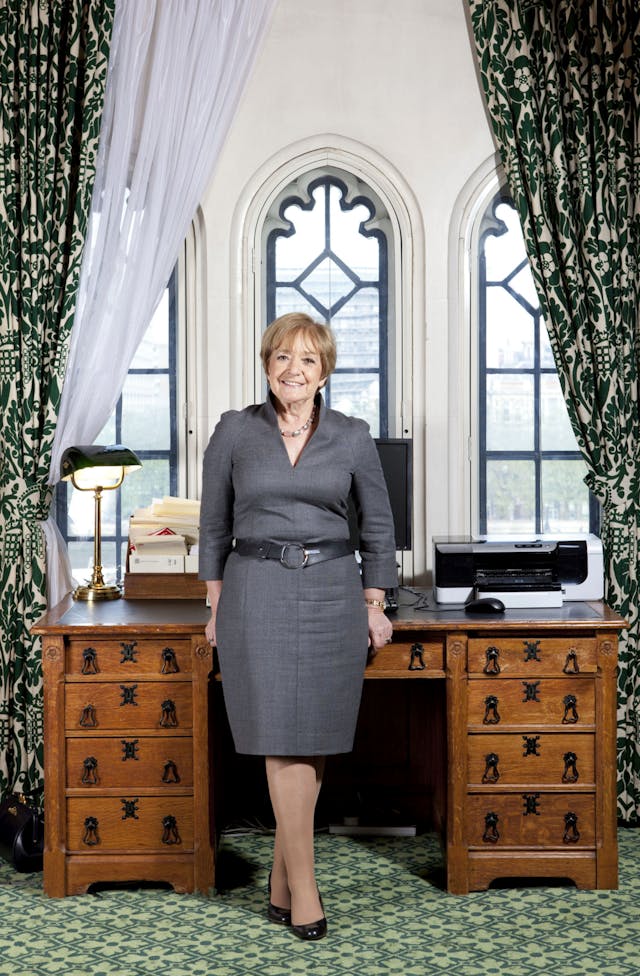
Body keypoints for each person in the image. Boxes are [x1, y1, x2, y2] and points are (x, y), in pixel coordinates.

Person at [199, 312, 398, 941]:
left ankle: (282, 882)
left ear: (325, 371)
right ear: (266, 366)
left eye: (308, 360)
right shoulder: (234, 431)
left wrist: (375, 603)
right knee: (280, 736)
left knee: (311, 738)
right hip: (254, 592)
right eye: (282, 357)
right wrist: (215, 607)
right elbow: (211, 526)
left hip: (332, 594)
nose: (294, 370)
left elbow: (378, 528)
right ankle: (305, 892)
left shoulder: (353, 435)